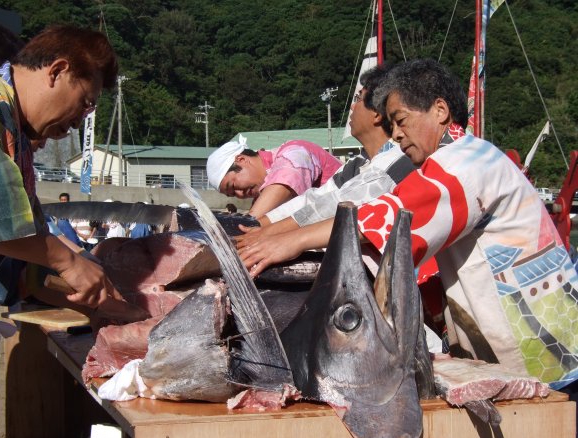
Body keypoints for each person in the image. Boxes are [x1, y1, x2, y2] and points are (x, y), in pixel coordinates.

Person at [239, 59, 578, 389]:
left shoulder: (466, 164)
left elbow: (391, 214)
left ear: (440, 111)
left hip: (543, 352)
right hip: (522, 346)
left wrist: (292, 242)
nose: (397, 135)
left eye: (401, 120)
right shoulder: (456, 159)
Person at [0, 25, 121, 438]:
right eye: (86, 102)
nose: (81, 119)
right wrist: (69, 261)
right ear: (57, 71)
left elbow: (24, 249)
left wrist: (101, 302)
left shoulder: (14, 130)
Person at [235, 65, 414, 252]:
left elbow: (337, 204)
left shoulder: (399, 161)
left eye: (358, 99)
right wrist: (256, 226)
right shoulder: (358, 162)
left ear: (377, 114)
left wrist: (264, 232)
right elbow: (314, 199)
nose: (352, 106)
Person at [206, 135, 342, 218]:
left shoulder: (293, 151)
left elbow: (286, 179)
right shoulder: (261, 197)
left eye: (234, 186)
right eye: (233, 195)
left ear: (241, 160)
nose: (240, 194)